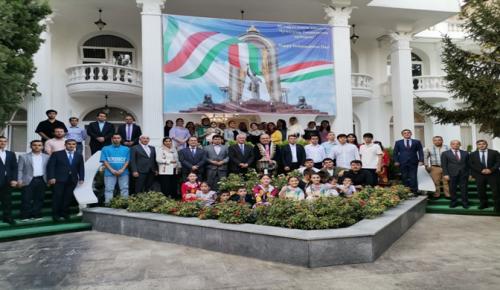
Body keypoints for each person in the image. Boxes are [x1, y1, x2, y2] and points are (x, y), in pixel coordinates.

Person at [47, 139, 84, 222]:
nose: (71, 146)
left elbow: (81, 167)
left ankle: (64, 213)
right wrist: (51, 177)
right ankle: (55, 215)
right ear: (65, 145)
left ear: (75, 145)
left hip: (72, 180)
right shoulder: (57, 154)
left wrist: (81, 178)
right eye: (69, 144)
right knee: (57, 197)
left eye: (73, 144)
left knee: (67, 198)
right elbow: (51, 166)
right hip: (59, 179)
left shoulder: (79, 155)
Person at [17, 140, 49, 221]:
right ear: (31, 146)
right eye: (34, 145)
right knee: (26, 198)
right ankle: (25, 216)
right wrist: (19, 180)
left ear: (42, 147)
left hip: (42, 179)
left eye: (39, 145)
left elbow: (48, 169)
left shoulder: (47, 157)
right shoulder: (23, 156)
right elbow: (19, 170)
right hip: (28, 180)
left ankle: (36, 215)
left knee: (39, 198)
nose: (37, 147)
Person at [468, 140, 500, 211]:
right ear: (477, 145)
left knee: (496, 191)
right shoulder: (472, 154)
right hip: (479, 175)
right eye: (479, 144)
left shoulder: (494, 152)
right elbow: (471, 164)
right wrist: (480, 170)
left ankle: (497, 206)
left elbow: (498, 162)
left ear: (486, 144)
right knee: (481, 190)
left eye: (483, 144)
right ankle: (484, 204)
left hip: (493, 174)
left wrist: (491, 170)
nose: (481, 145)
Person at [100, 134, 130, 204]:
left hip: (123, 172)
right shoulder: (105, 148)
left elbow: (127, 161)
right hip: (109, 172)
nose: (116, 139)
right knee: (109, 189)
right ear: (112, 139)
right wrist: (112, 170)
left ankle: (124, 204)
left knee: (124, 189)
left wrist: (122, 170)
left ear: (121, 139)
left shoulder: (126, 149)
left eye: (118, 138)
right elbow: (104, 161)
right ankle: (108, 205)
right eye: (114, 138)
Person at [393, 129, 424, 194]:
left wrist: (421, 160)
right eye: (405, 133)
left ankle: (414, 191)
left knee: (413, 176)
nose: (407, 134)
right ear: (402, 135)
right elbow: (395, 153)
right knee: (404, 176)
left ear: (411, 134)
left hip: (413, 162)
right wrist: (396, 161)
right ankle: (405, 191)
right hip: (402, 162)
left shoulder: (416, 142)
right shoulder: (398, 142)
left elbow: (420, 151)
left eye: (408, 133)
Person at [441, 140, 469, 208]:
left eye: (457, 144)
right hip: (451, 174)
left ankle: (465, 203)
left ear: (460, 145)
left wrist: (469, 174)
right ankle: (453, 202)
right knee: (452, 189)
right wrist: (445, 174)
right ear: (451, 145)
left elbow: (468, 164)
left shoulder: (465, 153)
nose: (455, 145)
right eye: (453, 144)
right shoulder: (445, 153)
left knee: (464, 189)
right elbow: (444, 165)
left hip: (463, 174)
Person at [0, 136, 18, 225]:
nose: (2, 143)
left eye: (4, 141)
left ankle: (7, 217)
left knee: (7, 201)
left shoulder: (11, 154)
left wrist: (14, 179)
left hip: (7, 181)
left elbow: (15, 168)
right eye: (0, 141)